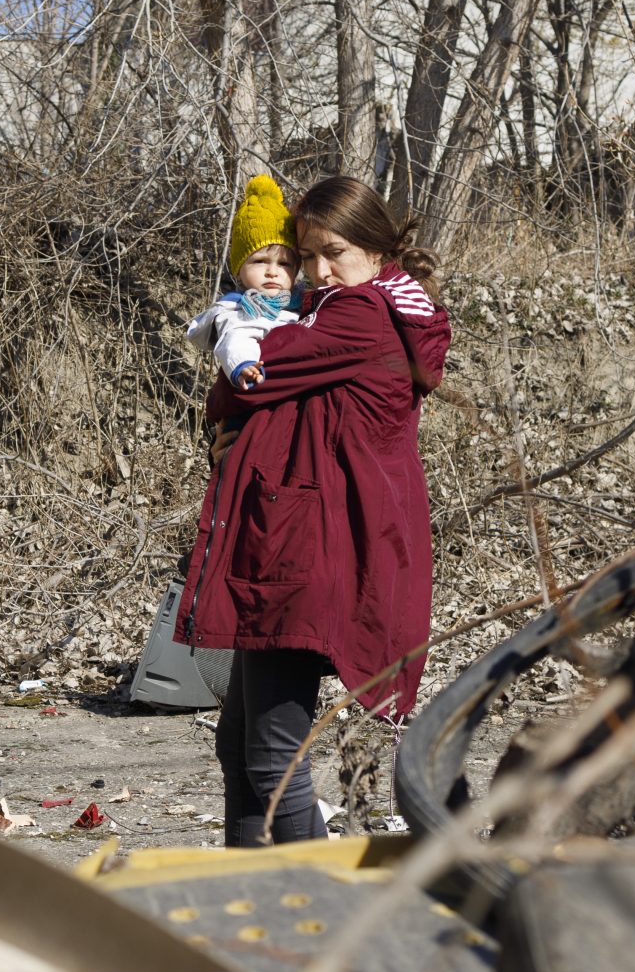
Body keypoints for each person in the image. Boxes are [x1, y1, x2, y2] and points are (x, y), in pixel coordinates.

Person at [174, 173, 450, 846]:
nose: (320, 272)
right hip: (298, 544)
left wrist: (232, 391)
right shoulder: (350, 306)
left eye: (336, 252)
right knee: (240, 741)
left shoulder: (360, 313)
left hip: (311, 556)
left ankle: (324, 914)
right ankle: (253, 899)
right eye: (308, 256)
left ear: (375, 248)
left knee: (271, 759)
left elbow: (249, 378)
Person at [184, 174, 301, 391]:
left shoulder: (303, 304)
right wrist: (244, 365)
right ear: (240, 268)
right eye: (260, 261)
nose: (272, 272)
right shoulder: (239, 309)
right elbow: (235, 339)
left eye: (284, 264)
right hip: (255, 388)